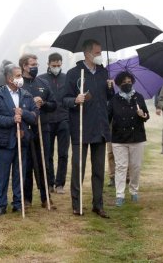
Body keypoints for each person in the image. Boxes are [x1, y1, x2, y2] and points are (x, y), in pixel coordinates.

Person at [63, 39, 114, 218]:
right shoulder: (73, 73)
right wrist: (75, 100)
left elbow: (108, 98)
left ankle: (98, 204)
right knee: (79, 168)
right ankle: (77, 204)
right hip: (81, 128)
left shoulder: (103, 72)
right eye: (97, 53)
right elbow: (65, 99)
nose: (100, 55)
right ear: (87, 54)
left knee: (99, 170)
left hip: (100, 128)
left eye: (101, 52)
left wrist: (110, 88)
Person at [0, 64, 38, 215]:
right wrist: (12, 120)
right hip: (4, 142)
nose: (20, 78)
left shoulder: (26, 95)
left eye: (20, 75)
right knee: (3, 175)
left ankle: (18, 202)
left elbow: (35, 116)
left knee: (19, 174)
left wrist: (23, 113)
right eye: (17, 76)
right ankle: (1, 204)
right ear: (10, 78)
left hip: (21, 141)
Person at [19, 53, 57, 208]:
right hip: (25, 128)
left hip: (43, 128)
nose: (35, 67)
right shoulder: (18, 84)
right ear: (24, 66)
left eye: (36, 64)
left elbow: (54, 104)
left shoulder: (43, 83)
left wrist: (44, 103)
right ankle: (26, 198)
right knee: (27, 163)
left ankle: (45, 196)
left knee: (44, 162)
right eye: (32, 64)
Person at [108, 71, 149, 206]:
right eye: (124, 82)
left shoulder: (139, 97)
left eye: (129, 81)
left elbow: (146, 115)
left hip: (136, 137)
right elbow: (108, 118)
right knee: (121, 167)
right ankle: (119, 194)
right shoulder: (114, 99)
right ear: (119, 84)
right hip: (119, 138)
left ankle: (134, 191)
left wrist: (142, 114)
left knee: (135, 167)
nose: (127, 84)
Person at [37, 53, 70, 194]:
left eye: (58, 65)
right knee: (48, 153)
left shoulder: (66, 78)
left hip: (64, 119)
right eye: (53, 65)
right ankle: (49, 182)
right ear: (49, 64)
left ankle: (60, 183)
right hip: (47, 120)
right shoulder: (41, 79)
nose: (56, 67)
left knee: (63, 153)